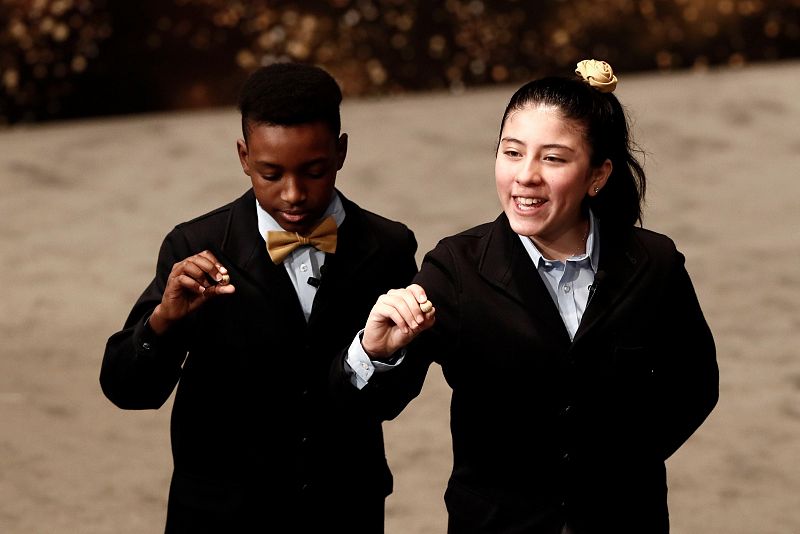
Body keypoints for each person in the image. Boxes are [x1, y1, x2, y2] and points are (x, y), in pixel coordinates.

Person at [338, 60, 719, 533]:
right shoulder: (456, 268)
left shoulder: (654, 263)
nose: (525, 176)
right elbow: (373, 405)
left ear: (598, 175)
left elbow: (695, 385)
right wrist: (374, 352)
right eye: (512, 153)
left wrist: (618, 468)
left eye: (553, 159)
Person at [100, 62, 418, 533]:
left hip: (342, 507)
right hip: (220, 514)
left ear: (341, 151)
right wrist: (163, 321)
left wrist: (377, 359)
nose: (293, 194)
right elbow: (127, 390)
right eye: (271, 174)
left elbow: (395, 395)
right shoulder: (194, 246)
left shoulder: (389, 247)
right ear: (244, 157)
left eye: (314, 171)